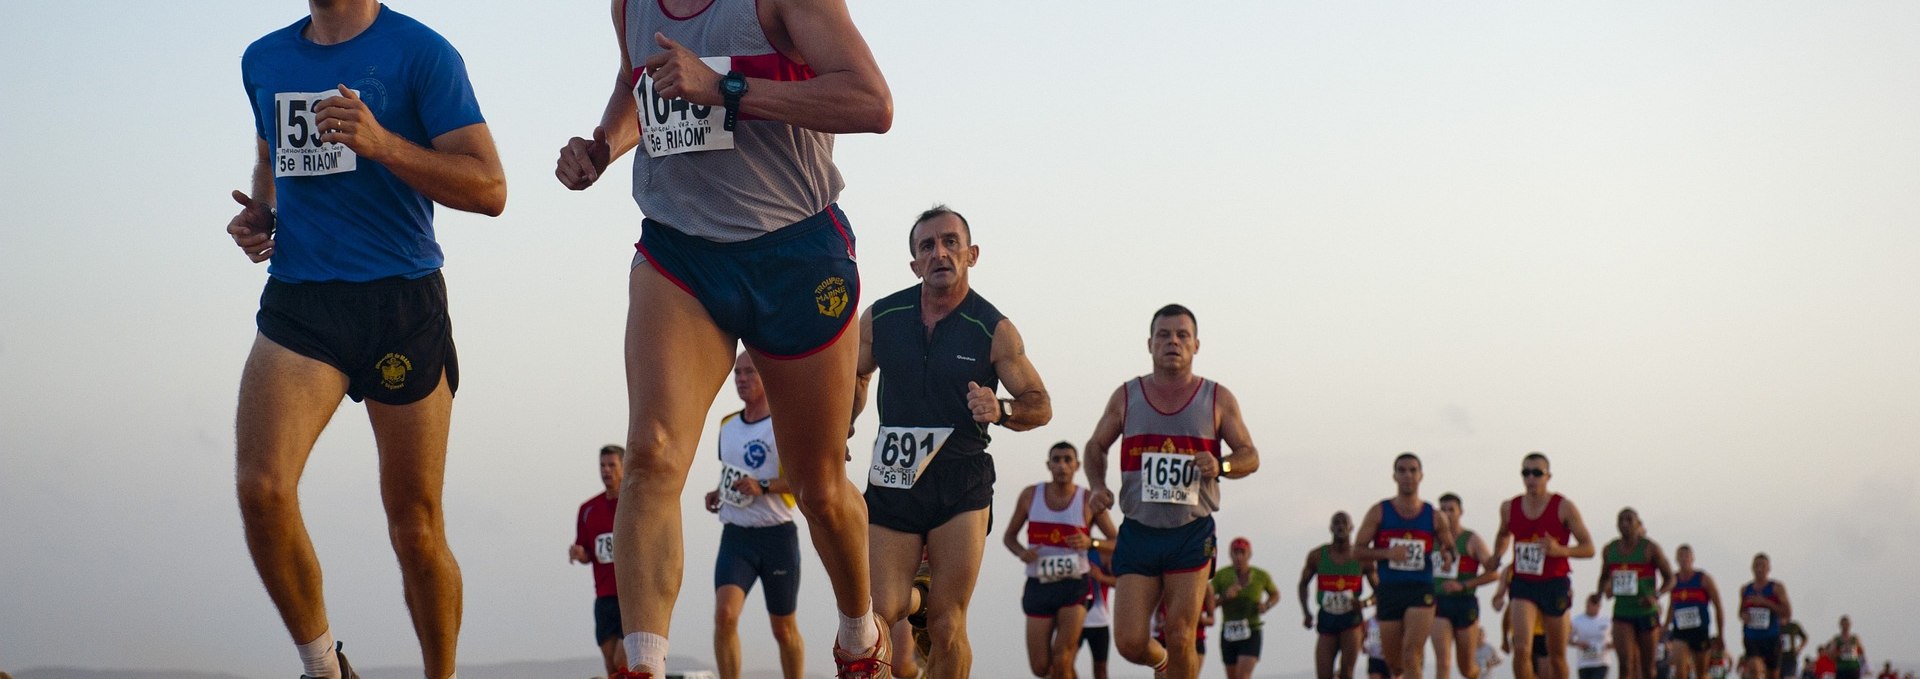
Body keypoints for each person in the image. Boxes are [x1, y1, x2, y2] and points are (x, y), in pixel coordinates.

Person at [552, 0, 893, 673]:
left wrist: (726, 88)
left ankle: (861, 638)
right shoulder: (630, 5)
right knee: (650, 454)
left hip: (793, 249)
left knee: (818, 484)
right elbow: (636, 84)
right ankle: (643, 661)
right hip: (681, 252)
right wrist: (604, 144)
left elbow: (871, 103)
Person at [229, 2, 506, 677]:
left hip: (400, 300)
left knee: (415, 527)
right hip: (302, 300)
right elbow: (270, 151)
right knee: (261, 487)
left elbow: (491, 187)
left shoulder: (422, 52)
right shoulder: (261, 59)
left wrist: (382, 144)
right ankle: (324, 666)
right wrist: (264, 210)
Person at [854, 205, 1053, 678]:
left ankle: (931, 604)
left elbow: (1039, 402)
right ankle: (918, 598)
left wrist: (1002, 409)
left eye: (950, 242)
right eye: (927, 246)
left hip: (960, 480)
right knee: (882, 611)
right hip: (894, 478)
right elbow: (856, 378)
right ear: (915, 264)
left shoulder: (993, 328)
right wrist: (842, 421)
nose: (940, 252)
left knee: (947, 624)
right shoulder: (882, 317)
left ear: (971, 254)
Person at [1084, 304, 1262, 679]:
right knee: (1130, 642)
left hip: (1191, 531)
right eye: (1164, 335)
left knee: (1181, 633)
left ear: (1196, 345)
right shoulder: (1126, 396)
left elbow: (1250, 455)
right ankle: (1162, 664)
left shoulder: (1217, 398)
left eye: (1182, 335)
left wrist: (1222, 465)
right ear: (1149, 344)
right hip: (1139, 531)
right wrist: (1098, 486)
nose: (1173, 342)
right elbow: (1095, 446)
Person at [698, 354, 806, 679]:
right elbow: (732, 473)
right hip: (737, 536)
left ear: (766, 377)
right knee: (725, 616)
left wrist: (763, 486)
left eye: (750, 373)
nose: (741, 379)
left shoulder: (783, 424)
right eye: (737, 373)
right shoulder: (727, 425)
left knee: (783, 629)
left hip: (777, 536)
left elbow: (804, 479)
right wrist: (720, 493)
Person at [1002, 442, 1118, 679]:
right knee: (1041, 667)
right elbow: (1009, 537)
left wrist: (1091, 543)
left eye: (1067, 459)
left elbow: (1117, 541)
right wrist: (1021, 552)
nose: (1062, 465)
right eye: (1056, 460)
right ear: (1048, 465)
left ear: (1077, 465)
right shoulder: (1030, 495)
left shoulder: (1087, 500)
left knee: (1063, 656)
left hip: (1074, 586)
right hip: (1039, 585)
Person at [1493, 452, 1597, 679]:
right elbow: (1503, 535)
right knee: (1521, 650)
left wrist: (1561, 551)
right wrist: (1496, 556)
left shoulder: (1564, 507)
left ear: (1548, 476)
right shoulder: (1509, 507)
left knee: (1556, 656)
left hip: (1554, 583)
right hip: (1523, 583)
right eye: (1526, 473)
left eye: (1537, 473)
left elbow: (1589, 548)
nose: (1531, 478)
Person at [1352, 453, 1456, 679]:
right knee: (1395, 663)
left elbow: (1449, 547)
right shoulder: (1379, 512)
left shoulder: (1434, 515)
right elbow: (1357, 550)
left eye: (1412, 470)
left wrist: (1447, 556)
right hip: (1389, 591)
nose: (1407, 475)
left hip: (1420, 590)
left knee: (1411, 654)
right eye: (1402, 470)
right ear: (1394, 476)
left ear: (1421, 476)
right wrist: (1388, 553)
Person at [573, 445, 631, 677]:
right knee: (611, 666)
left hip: (631, 596)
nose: (606, 471)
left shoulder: (633, 505)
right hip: (604, 597)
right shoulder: (588, 509)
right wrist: (579, 554)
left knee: (623, 660)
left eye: (612, 465)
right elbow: (588, 552)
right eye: (602, 465)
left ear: (624, 467)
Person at [1598, 508, 1674, 679]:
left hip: (1646, 613)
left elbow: (1670, 579)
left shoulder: (1650, 548)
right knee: (1625, 665)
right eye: (1621, 520)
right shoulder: (1610, 549)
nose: (1624, 523)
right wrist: (1600, 593)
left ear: (1638, 524)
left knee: (1647, 668)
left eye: (1629, 520)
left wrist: (1656, 596)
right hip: (1622, 613)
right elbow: (1603, 576)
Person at [1432, 493, 1499, 679]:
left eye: (1451, 510)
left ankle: (1480, 674)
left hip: (1464, 602)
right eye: (1443, 510)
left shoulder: (1471, 539)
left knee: (1467, 668)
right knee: (1443, 661)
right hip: (1438, 603)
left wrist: (1463, 585)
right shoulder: (1432, 540)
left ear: (1460, 512)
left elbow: (1493, 573)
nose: (1447, 514)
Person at [1299, 511, 1371, 679]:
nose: (1340, 526)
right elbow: (1303, 584)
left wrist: (1365, 603)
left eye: (1344, 523)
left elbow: (1380, 590)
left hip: (1351, 620)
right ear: (1331, 528)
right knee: (1323, 674)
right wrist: (1306, 613)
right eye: (1336, 523)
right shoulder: (1317, 556)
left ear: (1351, 528)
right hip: (1327, 619)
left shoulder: (1362, 557)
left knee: (1346, 673)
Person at [1211, 537, 1279, 679]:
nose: (1239, 556)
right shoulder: (1222, 575)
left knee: (1243, 676)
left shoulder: (1261, 575)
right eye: (1235, 552)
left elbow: (1275, 594)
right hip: (1228, 632)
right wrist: (1224, 597)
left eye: (1242, 552)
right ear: (1230, 554)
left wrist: (1266, 605)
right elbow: (1208, 603)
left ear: (1249, 554)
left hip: (1251, 631)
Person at [1663, 544, 1725, 679]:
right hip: (1680, 631)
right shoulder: (1673, 580)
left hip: (1700, 631)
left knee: (1701, 673)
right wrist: (1665, 627)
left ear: (1692, 558)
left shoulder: (1703, 579)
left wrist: (1720, 634)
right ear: (1676, 559)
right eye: (1680, 557)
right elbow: (1671, 606)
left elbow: (1718, 606)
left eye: (1686, 556)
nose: (1684, 560)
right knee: (1680, 671)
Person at [1738, 554, 1793, 679]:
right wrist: (1744, 616)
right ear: (1752, 568)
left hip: (1771, 637)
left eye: (1762, 566)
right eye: (1756, 565)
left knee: (1772, 675)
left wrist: (1766, 603)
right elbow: (1740, 612)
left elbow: (1787, 612)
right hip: (1751, 637)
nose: (1759, 569)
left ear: (1768, 568)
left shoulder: (1776, 588)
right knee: (1754, 668)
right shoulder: (1746, 589)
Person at [1082, 543, 1118, 679]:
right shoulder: (1064, 550)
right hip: (1072, 620)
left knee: (1101, 669)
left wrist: (1101, 577)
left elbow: (1121, 581)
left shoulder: (1101, 553)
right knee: (1063, 664)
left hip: (1099, 621)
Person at [1573, 593, 1614, 679]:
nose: (1590, 607)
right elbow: (1567, 639)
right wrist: (1578, 644)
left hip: (1601, 661)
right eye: (1588, 604)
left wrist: (1611, 645)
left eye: (1594, 604)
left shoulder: (1607, 621)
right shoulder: (1577, 621)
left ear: (1599, 606)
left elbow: (1618, 638)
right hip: (1584, 663)